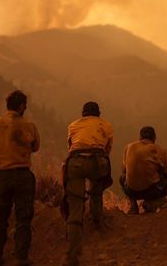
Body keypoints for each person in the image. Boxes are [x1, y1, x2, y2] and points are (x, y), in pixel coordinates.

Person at [0, 90, 40, 266]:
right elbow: (35, 147)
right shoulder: (29, 126)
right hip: (23, 175)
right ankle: (21, 258)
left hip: (2, 174)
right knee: (23, 218)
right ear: (21, 106)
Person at [63, 101, 113, 266]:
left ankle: (72, 255)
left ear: (83, 114)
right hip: (97, 160)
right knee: (96, 190)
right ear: (98, 113)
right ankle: (97, 219)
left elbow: (70, 146)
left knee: (75, 206)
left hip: (75, 162)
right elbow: (107, 150)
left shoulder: (73, 125)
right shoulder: (105, 125)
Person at [120, 126, 167, 214]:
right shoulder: (159, 150)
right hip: (151, 192)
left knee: (122, 178)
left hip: (131, 190)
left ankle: (133, 205)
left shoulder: (128, 147)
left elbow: (124, 170)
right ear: (154, 138)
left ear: (140, 137)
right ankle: (151, 203)